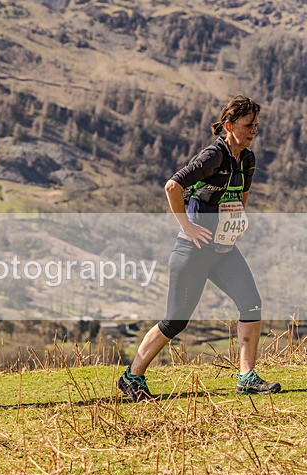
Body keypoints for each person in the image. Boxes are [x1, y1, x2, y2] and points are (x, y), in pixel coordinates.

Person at [118, 95, 280, 402]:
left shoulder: (247, 159)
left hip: (224, 249)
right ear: (229, 125)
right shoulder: (213, 156)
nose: (254, 131)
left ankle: (246, 377)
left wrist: (235, 223)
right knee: (176, 319)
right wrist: (187, 227)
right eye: (248, 125)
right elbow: (172, 187)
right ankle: (132, 376)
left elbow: (242, 196)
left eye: (257, 125)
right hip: (193, 250)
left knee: (251, 304)